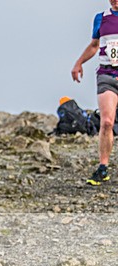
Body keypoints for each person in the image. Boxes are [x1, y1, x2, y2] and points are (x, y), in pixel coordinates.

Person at [72, 1, 118, 186]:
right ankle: (103, 167)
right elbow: (94, 45)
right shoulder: (101, 18)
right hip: (107, 75)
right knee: (107, 122)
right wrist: (79, 63)